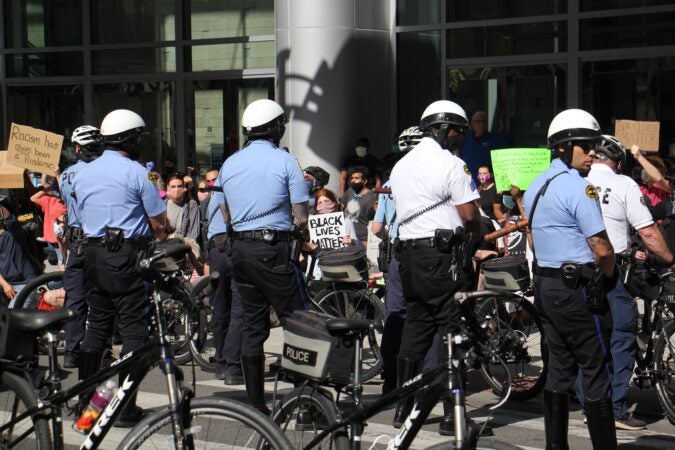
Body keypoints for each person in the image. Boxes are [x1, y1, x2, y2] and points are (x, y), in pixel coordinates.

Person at [522, 108, 617, 449]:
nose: (593, 152)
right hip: (576, 288)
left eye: (594, 145)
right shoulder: (580, 188)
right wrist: (608, 277)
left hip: (547, 287)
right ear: (563, 147)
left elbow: (533, 238)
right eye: (585, 145)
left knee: (559, 368)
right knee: (596, 368)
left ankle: (555, 446)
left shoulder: (536, 185)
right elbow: (602, 249)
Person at [389, 100, 482, 431]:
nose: (459, 137)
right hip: (441, 257)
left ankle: (403, 406)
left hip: (409, 258)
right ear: (444, 129)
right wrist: (477, 240)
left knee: (416, 326)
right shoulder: (451, 163)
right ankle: (450, 414)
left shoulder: (401, 166)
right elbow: (470, 215)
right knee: (450, 329)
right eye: (457, 131)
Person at [73, 109, 167, 426]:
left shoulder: (82, 172)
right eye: (139, 137)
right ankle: (125, 407)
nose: (141, 142)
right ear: (131, 138)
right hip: (126, 256)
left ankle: (87, 403)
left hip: (92, 255)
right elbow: (159, 222)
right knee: (134, 330)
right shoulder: (138, 173)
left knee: (97, 327)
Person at [216, 98, 308, 413]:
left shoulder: (230, 163)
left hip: (240, 250)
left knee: (253, 326)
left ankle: (257, 406)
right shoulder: (286, 162)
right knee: (298, 322)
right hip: (271, 249)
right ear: (276, 128)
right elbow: (301, 215)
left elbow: (224, 210)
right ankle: (305, 402)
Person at [579, 134, 674, 430]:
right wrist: (670, 260)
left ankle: (590, 402)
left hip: (576, 270)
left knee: (590, 337)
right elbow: (647, 232)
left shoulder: (575, 181)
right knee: (622, 334)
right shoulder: (623, 184)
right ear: (619, 162)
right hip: (611, 269)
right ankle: (616, 409)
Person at [58, 125, 103, 368]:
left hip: (77, 241)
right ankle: (100, 350)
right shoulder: (106, 172)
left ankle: (71, 352)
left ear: (77, 148)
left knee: (75, 298)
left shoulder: (67, 174)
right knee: (103, 296)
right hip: (101, 243)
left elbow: (66, 200)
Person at [30, 175, 67, 267]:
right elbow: (33, 198)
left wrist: (47, 189)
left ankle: (57, 278)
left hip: (62, 239)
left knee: (61, 263)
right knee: (56, 261)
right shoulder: (49, 200)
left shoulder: (65, 200)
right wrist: (47, 189)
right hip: (51, 238)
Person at [459, 111, 500, 184]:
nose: (481, 124)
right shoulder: (465, 140)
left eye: (484, 121)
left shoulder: (494, 139)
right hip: (469, 183)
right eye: (478, 121)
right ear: (472, 123)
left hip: (487, 184)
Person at [340, 166, 377, 246]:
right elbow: (341, 206)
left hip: (361, 240)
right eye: (352, 178)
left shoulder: (371, 197)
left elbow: (371, 218)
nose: (352, 181)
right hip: (346, 237)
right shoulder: (350, 191)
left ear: (364, 181)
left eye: (356, 178)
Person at [165, 172, 200, 241]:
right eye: (173, 186)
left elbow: (194, 233)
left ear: (184, 188)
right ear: (168, 188)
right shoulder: (162, 204)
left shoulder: (191, 205)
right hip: (165, 247)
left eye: (179, 186)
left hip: (184, 247)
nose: (176, 189)